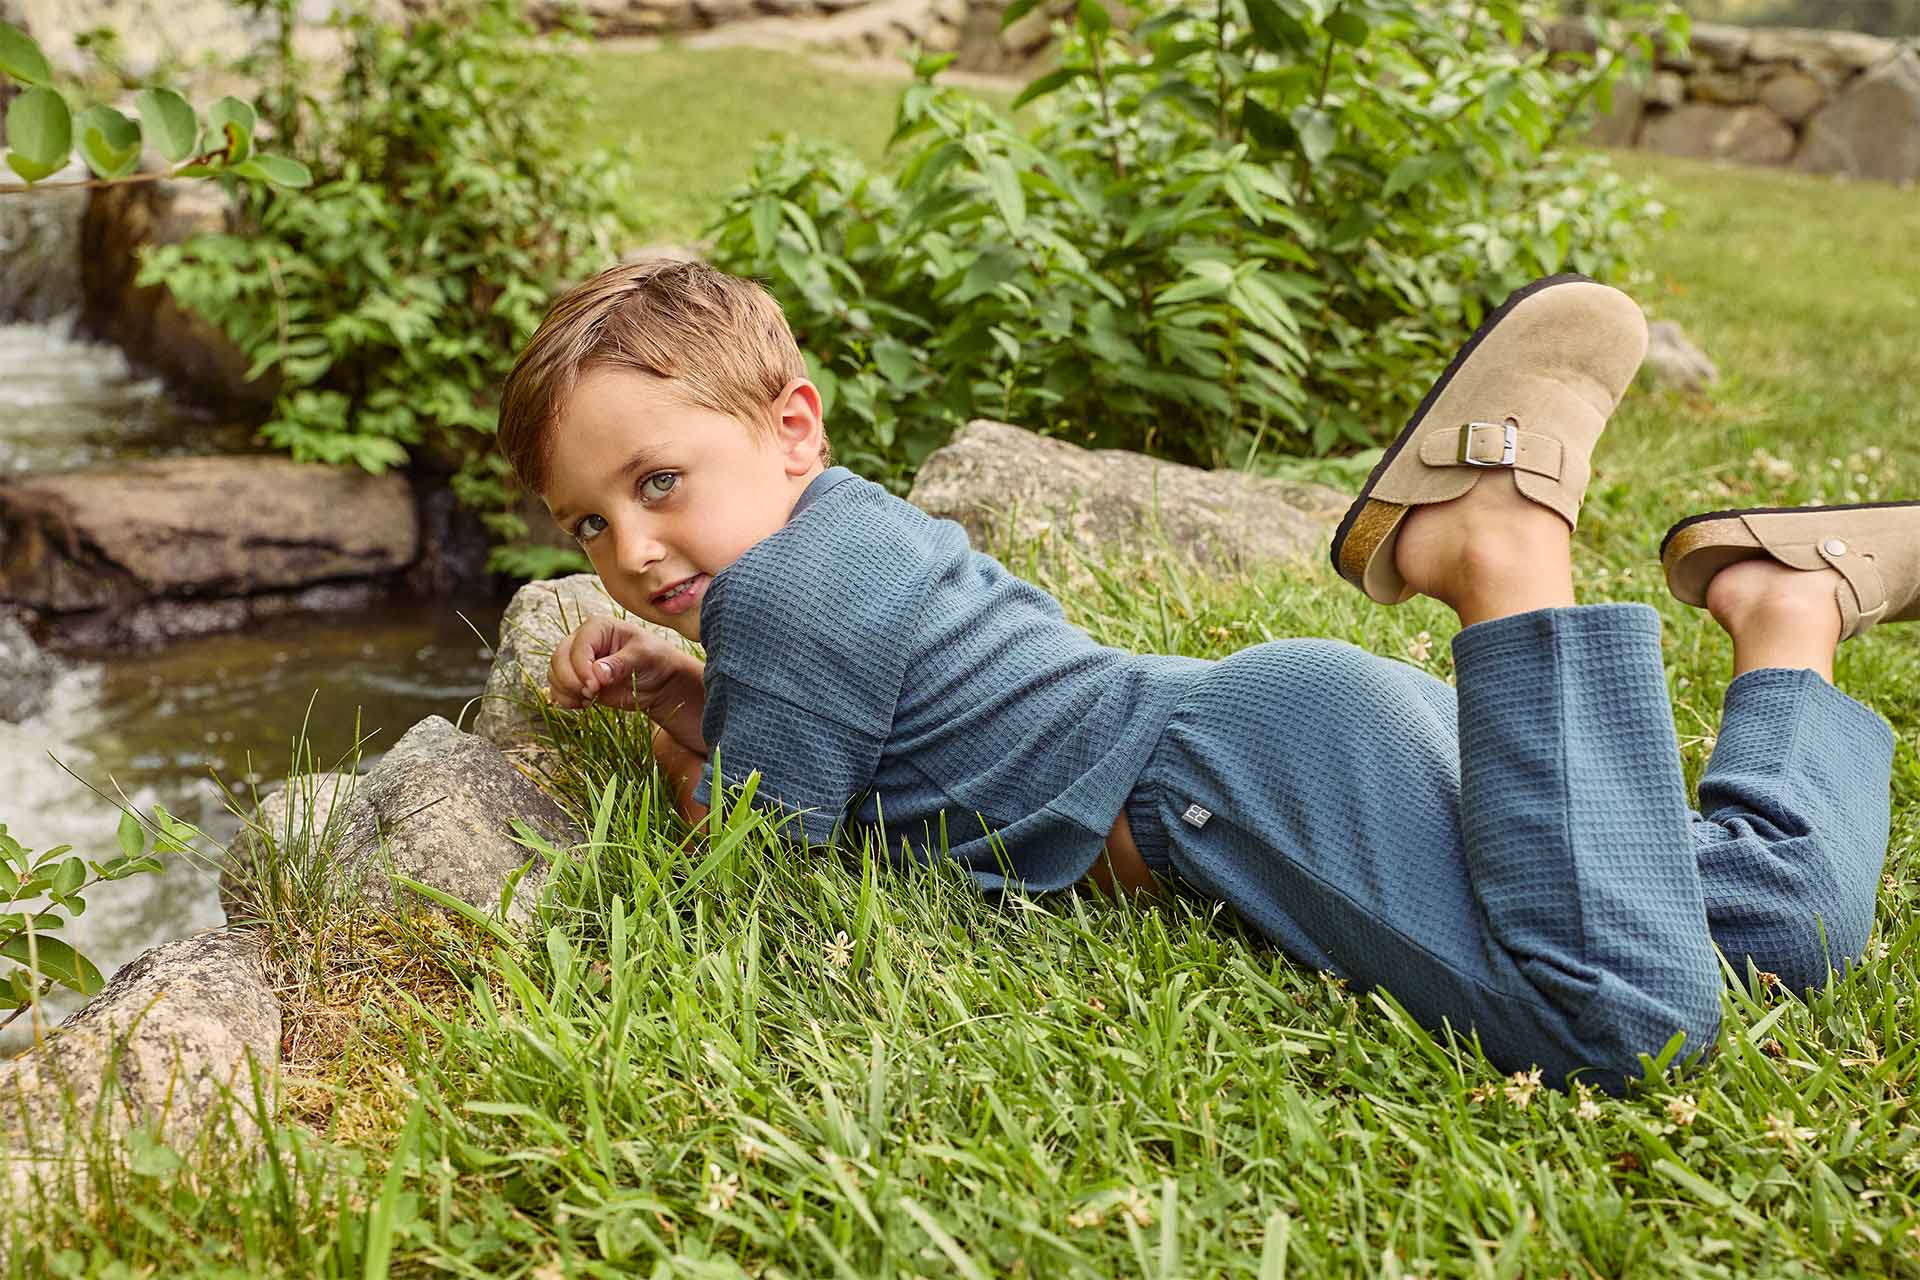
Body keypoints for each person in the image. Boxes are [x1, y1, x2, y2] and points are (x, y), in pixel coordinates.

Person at [495, 260, 1909, 1090]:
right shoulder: (849, 532)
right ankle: (1787, 616)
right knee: (1765, 921)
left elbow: (747, 861)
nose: (633, 546)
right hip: (1298, 725)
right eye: (590, 524)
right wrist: (691, 693)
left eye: (659, 481)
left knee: (1627, 1025)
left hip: (1236, 781)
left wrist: (687, 757)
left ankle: (1499, 542)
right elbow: (859, 733)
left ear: (793, 427)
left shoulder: (785, 599)